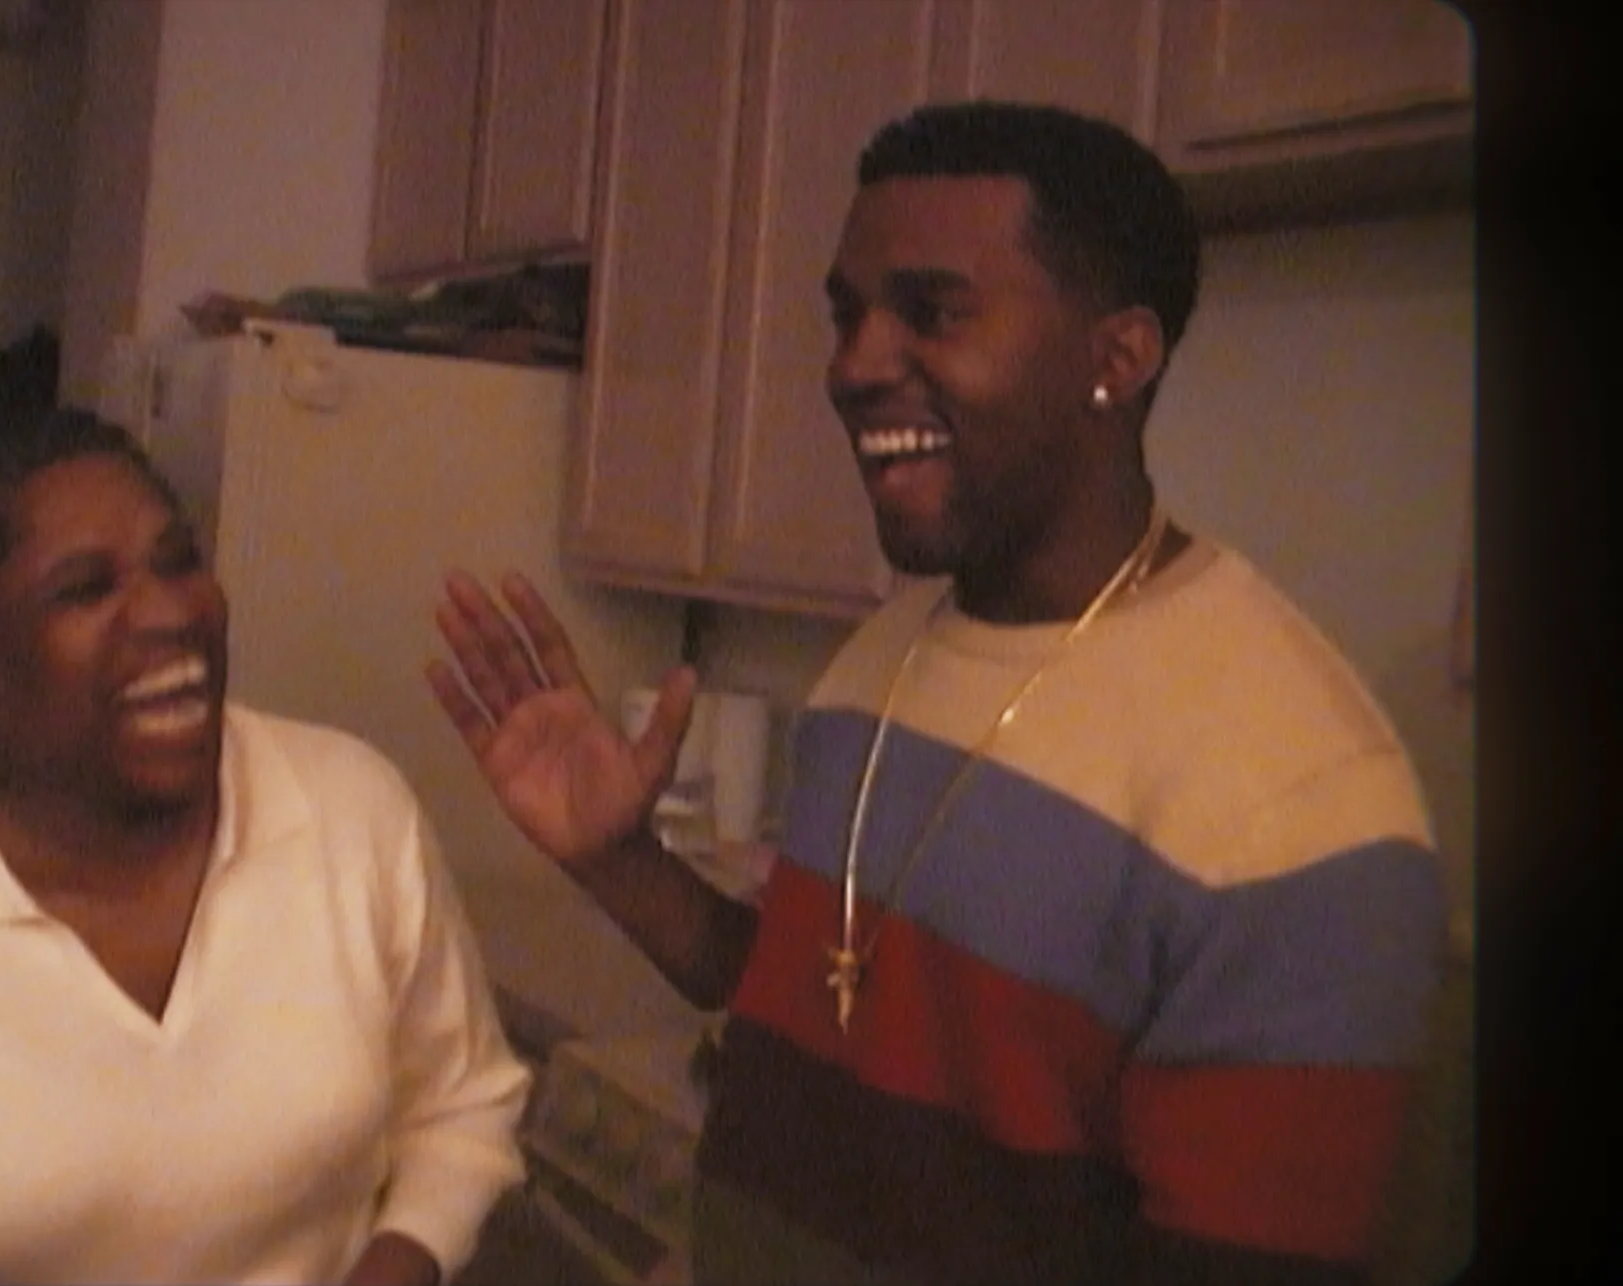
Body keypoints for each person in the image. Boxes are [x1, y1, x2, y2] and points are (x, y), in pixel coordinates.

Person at [426, 102, 1447, 1286]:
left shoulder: (1302, 801)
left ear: (1115, 358)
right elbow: (822, 997)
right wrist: (617, 858)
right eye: (847, 313)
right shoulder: (891, 646)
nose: (853, 364)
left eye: (932, 310)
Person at [0, 336, 530, 1285]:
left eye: (179, 561)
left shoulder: (350, 812)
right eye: (85, 589)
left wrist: (398, 1265)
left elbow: (462, 1108)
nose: (172, 612)